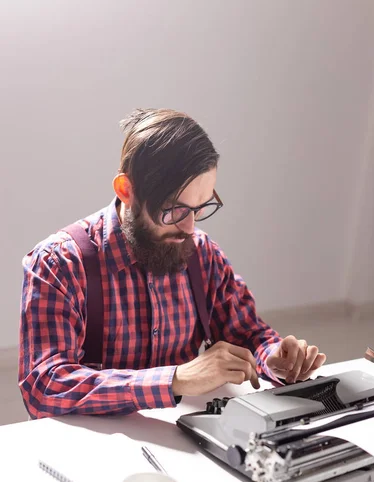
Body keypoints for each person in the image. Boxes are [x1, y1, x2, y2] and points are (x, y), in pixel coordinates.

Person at [19, 108, 326, 419]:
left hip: (179, 442)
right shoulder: (59, 264)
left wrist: (273, 357)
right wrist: (175, 380)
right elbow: (45, 387)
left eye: (200, 208)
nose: (189, 227)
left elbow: (247, 333)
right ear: (127, 190)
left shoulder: (202, 254)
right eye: (174, 211)